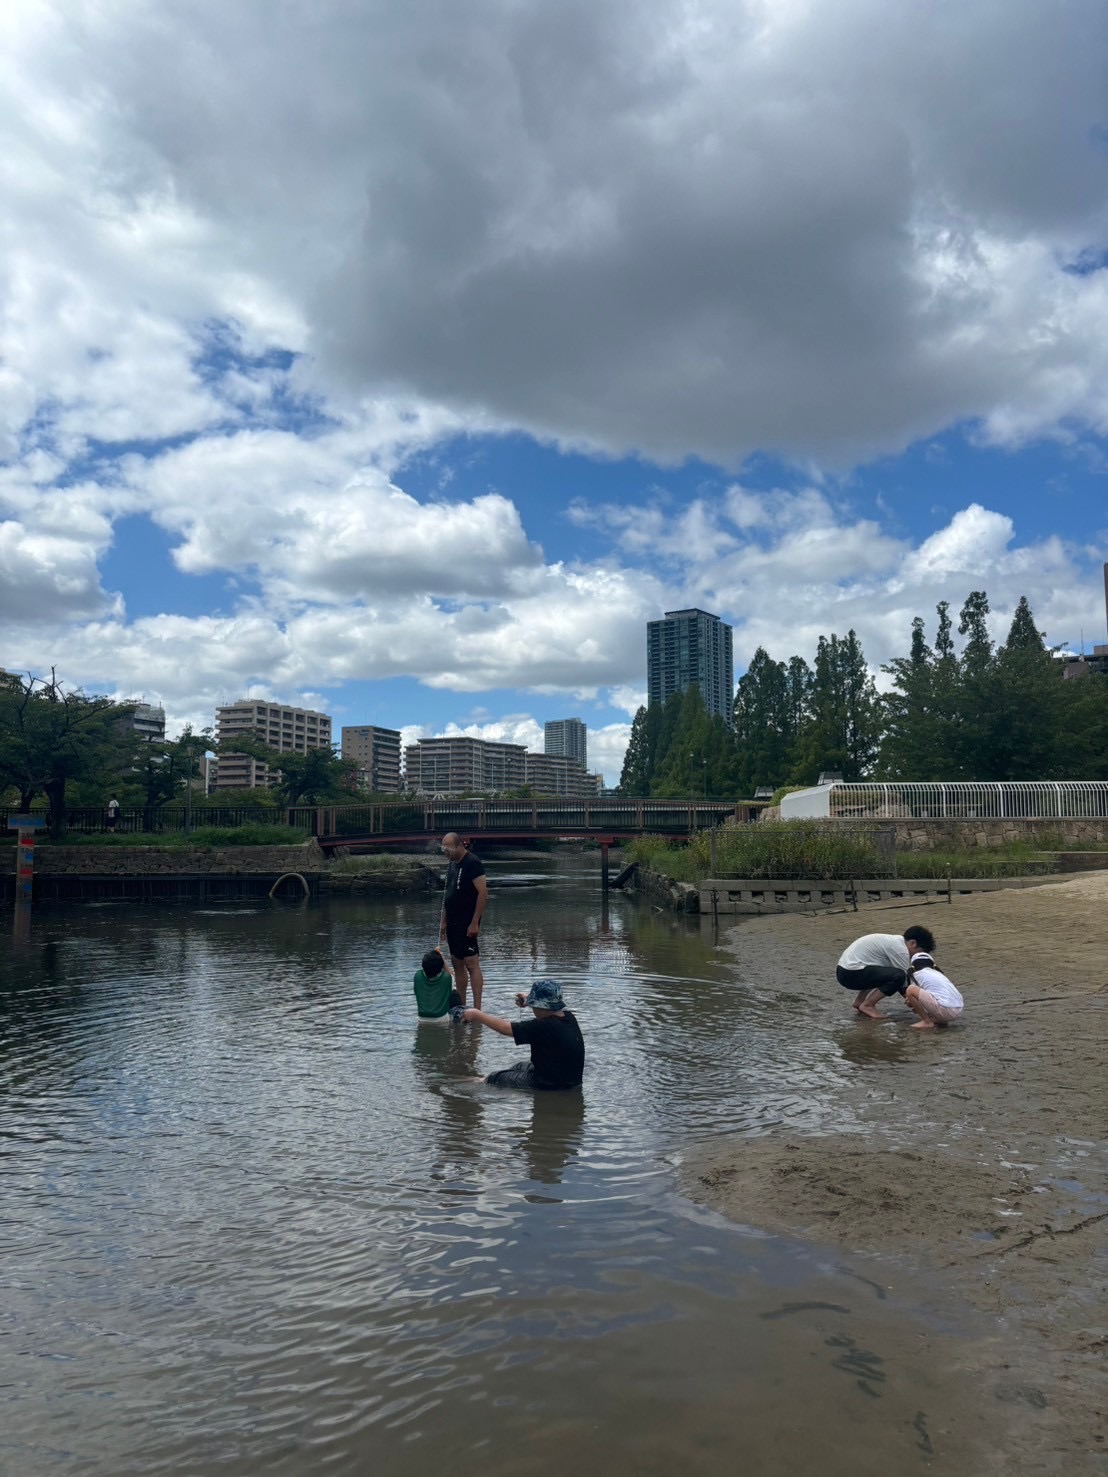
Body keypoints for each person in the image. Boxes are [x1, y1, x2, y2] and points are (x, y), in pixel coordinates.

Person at [463, 979, 584, 1091]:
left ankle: (477, 1082)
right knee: (519, 1066)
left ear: (541, 1008)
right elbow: (545, 1007)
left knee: (495, 1077)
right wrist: (528, 1000)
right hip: (570, 1080)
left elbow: (505, 1028)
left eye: (533, 1005)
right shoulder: (569, 1017)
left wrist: (476, 1014)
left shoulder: (542, 1026)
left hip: (548, 1084)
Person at [836, 925, 935, 1019]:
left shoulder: (895, 942)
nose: (916, 957)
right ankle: (868, 1005)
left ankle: (859, 1001)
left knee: (884, 972)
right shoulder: (900, 950)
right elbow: (904, 982)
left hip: (844, 971)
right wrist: (922, 1008)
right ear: (913, 943)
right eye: (919, 952)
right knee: (898, 975)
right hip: (851, 973)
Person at [440, 833, 489, 1010]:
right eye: (443, 848)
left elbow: (483, 893)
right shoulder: (452, 864)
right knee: (457, 962)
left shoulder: (472, 862)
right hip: (452, 922)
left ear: (460, 845)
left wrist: (475, 922)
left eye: (448, 848)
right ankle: (461, 1007)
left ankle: (477, 1009)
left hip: (467, 922)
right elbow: (449, 895)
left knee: (471, 964)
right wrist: (444, 921)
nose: (446, 852)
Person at [904, 949, 964, 1030]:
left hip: (945, 1009)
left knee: (910, 990)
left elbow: (911, 997)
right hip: (959, 1009)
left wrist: (910, 1002)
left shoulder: (917, 974)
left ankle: (926, 1022)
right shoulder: (938, 974)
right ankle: (941, 1021)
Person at [413, 948, 465, 1022]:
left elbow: (426, 969)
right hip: (442, 1020)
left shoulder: (417, 976)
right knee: (455, 995)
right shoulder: (447, 978)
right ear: (441, 967)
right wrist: (442, 959)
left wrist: (434, 959)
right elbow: (450, 975)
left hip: (421, 1019)